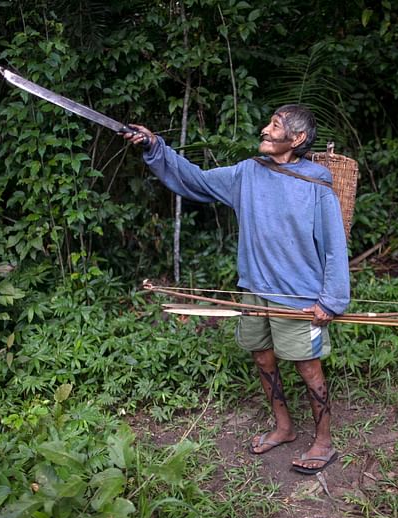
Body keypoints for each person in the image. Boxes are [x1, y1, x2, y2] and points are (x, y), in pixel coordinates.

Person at [123, 105, 350, 474]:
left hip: (297, 296)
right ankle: (284, 427)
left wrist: (332, 299)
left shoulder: (317, 183)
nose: (264, 130)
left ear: (297, 139)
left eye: (274, 126)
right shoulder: (247, 173)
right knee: (262, 357)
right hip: (253, 289)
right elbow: (194, 180)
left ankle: (323, 441)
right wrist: (154, 148)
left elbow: (334, 246)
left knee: (308, 368)